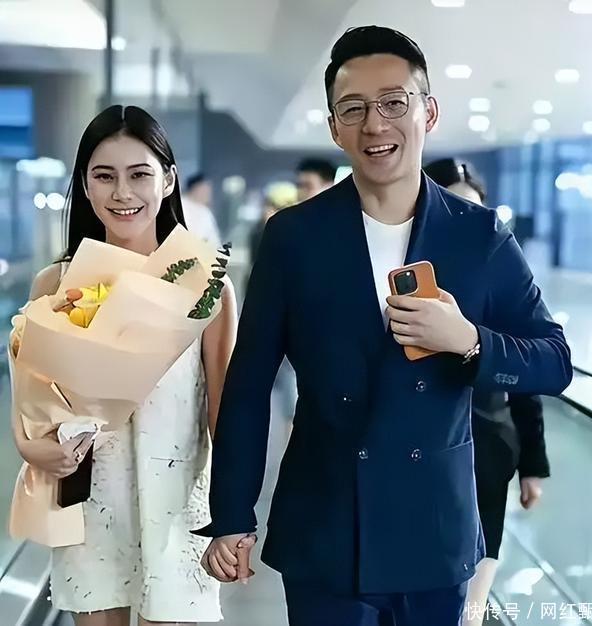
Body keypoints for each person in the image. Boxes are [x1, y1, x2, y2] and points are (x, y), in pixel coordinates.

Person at [196, 26, 571, 626]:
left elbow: (554, 361)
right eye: (354, 108)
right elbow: (248, 383)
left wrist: (468, 341)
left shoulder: (478, 235)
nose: (375, 124)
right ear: (334, 127)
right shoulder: (295, 236)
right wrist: (233, 513)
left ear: (428, 112)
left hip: (434, 527)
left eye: (394, 103)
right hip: (325, 525)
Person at [16, 105, 236, 626]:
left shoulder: (206, 285)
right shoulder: (56, 285)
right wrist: (35, 449)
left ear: (168, 181)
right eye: (104, 176)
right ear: (85, 186)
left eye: (139, 174)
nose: (122, 193)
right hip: (90, 504)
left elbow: (224, 413)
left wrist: (235, 516)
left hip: (179, 507)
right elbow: (33, 403)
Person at [425, 157, 551, 625]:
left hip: (488, 448)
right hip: (422, 448)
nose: (469, 221)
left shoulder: (498, 276)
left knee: (472, 600)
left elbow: (526, 374)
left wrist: (533, 465)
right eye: (455, 206)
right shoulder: (405, 277)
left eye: (476, 209)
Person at [182, 172, 221, 244]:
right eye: (204, 189)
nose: (208, 193)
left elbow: (214, 240)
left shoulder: (206, 212)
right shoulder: (179, 205)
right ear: (195, 189)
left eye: (209, 190)